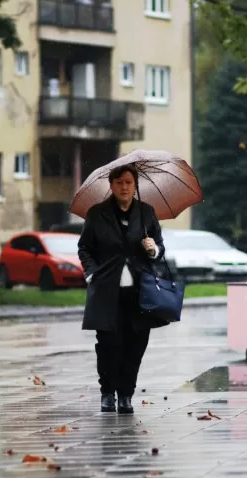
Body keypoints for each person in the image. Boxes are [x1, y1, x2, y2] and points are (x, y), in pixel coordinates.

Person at [77, 165, 167, 414]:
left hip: (140, 293)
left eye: (128, 182)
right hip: (107, 291)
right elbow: (84, 248)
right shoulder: (96, 214)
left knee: (135, 345)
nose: (124, 187)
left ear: (135, 185)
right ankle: (108, 393)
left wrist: (153, 249)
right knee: (109, 344)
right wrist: (92, 273)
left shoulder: (146, 213)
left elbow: (160, 247)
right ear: (111, 185)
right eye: (119, 182)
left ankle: (126, 394)